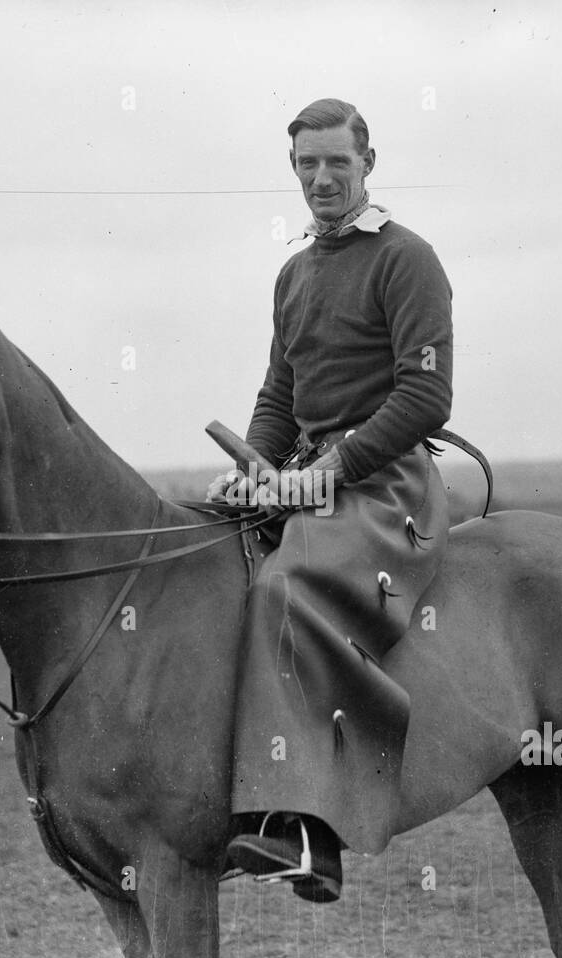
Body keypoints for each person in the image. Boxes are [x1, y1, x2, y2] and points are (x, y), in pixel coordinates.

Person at [208, 98, 454, 903]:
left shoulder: (406, 258)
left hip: (387, 487)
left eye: (336, 164)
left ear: (367, 165)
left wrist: (331, 469)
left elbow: (425, 398)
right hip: (312, 477)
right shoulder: (294, 271)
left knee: (286, 586)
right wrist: (257, 464)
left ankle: (309, 833)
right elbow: (280, 396)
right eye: (305, 165)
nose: (320, 179)